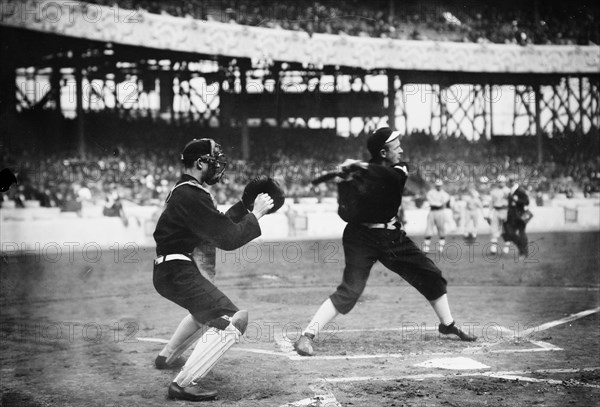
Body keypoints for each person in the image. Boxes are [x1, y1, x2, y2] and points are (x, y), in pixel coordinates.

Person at [294, 127, 476, 357]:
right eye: (396, 146)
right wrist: (348, 182)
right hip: (360, 238)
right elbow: (346, 214)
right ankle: (306, 336)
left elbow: (390, 178)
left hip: (391, 236)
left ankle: (447, 325)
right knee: (350, 291)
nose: (401, 149)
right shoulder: (357, 176)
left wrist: (361, 168)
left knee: (431, 274)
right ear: (382, 152)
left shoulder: (398, 169)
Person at [152, 138, 274, 401]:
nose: (218, 166)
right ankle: (183, 383)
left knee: (205, 310)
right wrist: (258, 214)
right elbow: (228, 239)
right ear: (199, 162)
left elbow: (218, 226)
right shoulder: (192, 194)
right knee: (232, 320)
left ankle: (167, 356)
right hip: (176, 269)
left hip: (171, 268)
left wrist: (244, 206)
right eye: (213, 160)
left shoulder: (186, 191)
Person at [503, 176, 530, 256]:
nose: (510, 182)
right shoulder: (511, 191)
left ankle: (524, 251)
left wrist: (516, 200)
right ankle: (522, 248)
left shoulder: (520, 190)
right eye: (510, 181)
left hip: (520, 214)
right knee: (509, 232)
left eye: (511, 181)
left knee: (521, 233)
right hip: (512, 215)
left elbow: (526, 201)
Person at [423, 179, 451, 253]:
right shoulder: (430, 193)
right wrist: (437, 202)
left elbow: (440, 203)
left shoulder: (445, 194)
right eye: (437, 186)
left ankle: (440, 248)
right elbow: (432, 202)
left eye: (440, 186)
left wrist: (437, 203)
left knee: (441, 229)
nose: (438, 187)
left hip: (440, 212)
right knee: (428, 230)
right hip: (432, 211)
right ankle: (426, 248)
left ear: (442, 186)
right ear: (435, 186)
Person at [488, 175, 511, 254]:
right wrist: (489, 213)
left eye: (502, 182)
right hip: (496, 210)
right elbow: (491, 203)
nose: (501, 183)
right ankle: (493, 248)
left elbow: (511, 203)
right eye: (499, 182)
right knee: (494, 229)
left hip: (505, 211)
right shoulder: (494, 191)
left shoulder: (508, 191)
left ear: (505, 182)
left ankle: (506, 246)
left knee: (506, 229)